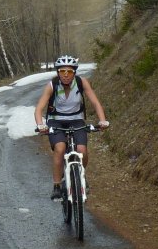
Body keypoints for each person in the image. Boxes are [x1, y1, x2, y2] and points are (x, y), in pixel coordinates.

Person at [33, 54, 109, 199]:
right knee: (60, 148)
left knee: (82, 150)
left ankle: (81, 175)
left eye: (69, 72)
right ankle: (56, 185)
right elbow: (39, 109)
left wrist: (102, 120)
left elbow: (95, 103)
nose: (66, 75)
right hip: (56, 121)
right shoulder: (52, 85)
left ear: (74, 72)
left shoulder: (81, 82)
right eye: (62, 72)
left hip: (76, 120)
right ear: (58, 73)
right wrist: (41, 125)